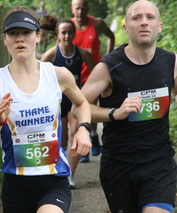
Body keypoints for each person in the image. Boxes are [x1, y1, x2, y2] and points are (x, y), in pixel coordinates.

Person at [0, 6, 92, 213]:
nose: (20, 39)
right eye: (13, 33)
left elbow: (82, 103)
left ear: (38, 36)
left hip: (53, 181)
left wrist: (83, 128)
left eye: (26, 32)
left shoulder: (58, 75)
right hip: (15, 185)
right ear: (4, 39)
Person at [79, 0, 177, 212]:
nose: (144, 23)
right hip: (119, 165)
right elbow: (79, 106)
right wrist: (115, 113)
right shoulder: (109, 67)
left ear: (159, 26)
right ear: (126, 27)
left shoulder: (171, 63)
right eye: (136, 18)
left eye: (150, 18)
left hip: (159, 164)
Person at [40, 15, 95, 188]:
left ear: (74, 33)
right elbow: (37, 76)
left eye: (70, 32)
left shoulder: (83, 53)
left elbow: (95, 74)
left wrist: (88, 91)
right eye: (63, 33)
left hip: (74, 102)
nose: (67, 36)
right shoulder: (52, 54)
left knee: (75, 133)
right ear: (57, 34)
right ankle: (59, 172)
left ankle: (70, 174)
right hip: (57, 103)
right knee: (61, 141)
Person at [70, 0, 115, 162]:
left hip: (93, 74)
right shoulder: (68, 27)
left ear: (87, 9)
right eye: (77, 9)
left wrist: (108, 58)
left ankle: (93, 136)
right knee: (76, 113)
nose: (80, 12)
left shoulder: (97, 23)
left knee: (88, 109)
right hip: (74, 76)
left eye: (83, 8)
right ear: (72, 10)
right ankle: (86, 144)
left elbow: (111, 36)